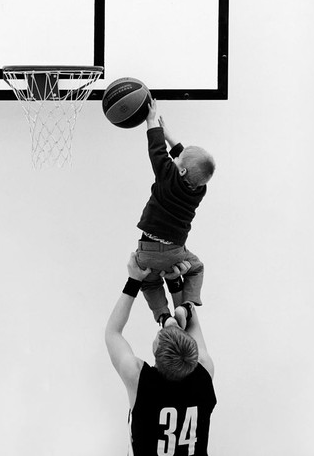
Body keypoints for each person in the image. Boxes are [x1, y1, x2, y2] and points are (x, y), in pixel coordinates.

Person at [105, 253, 217, 456]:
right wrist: (175, 282)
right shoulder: (204, 369)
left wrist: (134, 281)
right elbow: (188, 316)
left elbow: (112, 332)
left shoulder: (139, 378)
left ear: (155, 350)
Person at [136, 99, 216, 327]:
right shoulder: (199, 191)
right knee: (196, 269)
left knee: (149, 282)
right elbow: (186, 164)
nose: (174, 157)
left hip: (148, 248)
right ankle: (186, 306)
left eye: (177, 159)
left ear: (180, 169)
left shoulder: (166, 175)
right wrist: (171, 138)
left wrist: (151, 121)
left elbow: (156, 151)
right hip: (175, 253)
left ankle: (162, 315)